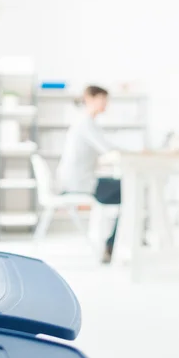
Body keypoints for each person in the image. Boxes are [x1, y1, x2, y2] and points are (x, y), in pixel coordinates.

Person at [56, 85, 123, 263]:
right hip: (81, 184)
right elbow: (108, 149)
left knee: (128, 189)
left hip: (82, 180)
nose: (105, 104)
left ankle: (115, 243)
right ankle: (111, 245)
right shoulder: (85, 123)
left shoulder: (86, 122)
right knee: (132, 190)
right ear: (89, 98)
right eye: (102, 99)